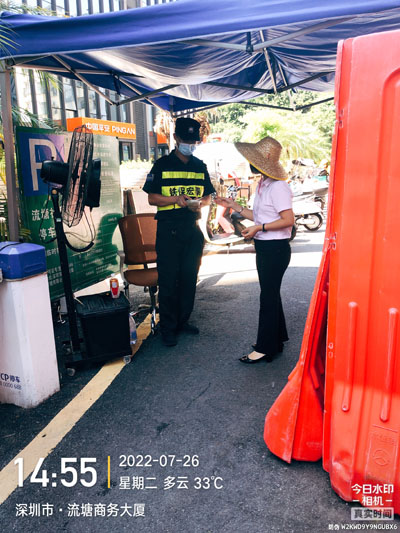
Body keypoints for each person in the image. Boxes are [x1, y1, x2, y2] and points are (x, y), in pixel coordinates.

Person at [215, 136, 294, 363]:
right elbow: (259, 215)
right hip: (266, 247)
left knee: (268, 296)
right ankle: (277, 339)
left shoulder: (278, 187)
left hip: (275, 249)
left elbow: (288, 220)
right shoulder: (263, 184)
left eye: (254, 160)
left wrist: (260, 228)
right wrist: (234, 206)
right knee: (271, 293)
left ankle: (265, 347)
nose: (250, 163)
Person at [143, 117, 215, 347]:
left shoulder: (200, 166)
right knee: (168, 280)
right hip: (168, 231)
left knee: (188, 278)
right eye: (186, 140)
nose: (190, 145)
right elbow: (152, 198)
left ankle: (183, 321)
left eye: (193, 142)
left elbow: (208, 196)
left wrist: (199, 203)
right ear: (175, 138)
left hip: (191, 230)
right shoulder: (161, 165)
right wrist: (175, 200)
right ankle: (168, 327)